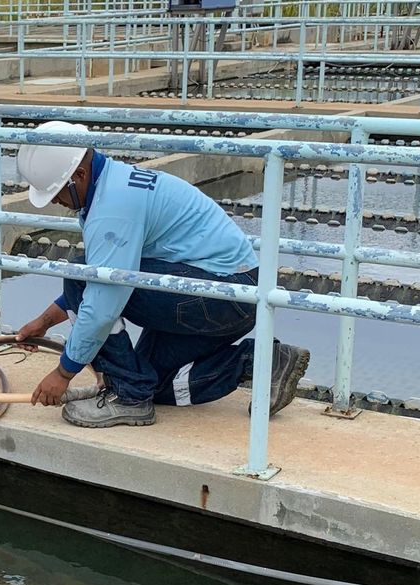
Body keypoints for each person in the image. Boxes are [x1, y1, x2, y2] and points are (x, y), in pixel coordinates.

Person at [15, 120, 310, 428]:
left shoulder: (112, 208)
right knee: (150, 382)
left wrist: (64, 373)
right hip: (231, 295)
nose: (57, 202)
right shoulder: (115, 183)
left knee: (81, 274)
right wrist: (45, 321)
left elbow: (101, 302)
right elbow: (98, 282)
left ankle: (128, 397)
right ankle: (260, 362)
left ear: (79, 175)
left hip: (220, 294)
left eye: (57, 193)